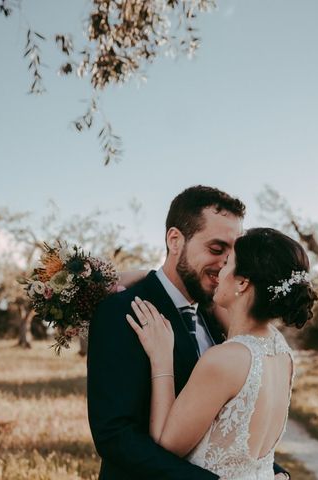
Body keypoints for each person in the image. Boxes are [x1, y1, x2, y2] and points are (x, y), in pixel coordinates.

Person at [87, 186, 291, 479]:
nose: (224, 265)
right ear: (175, 240)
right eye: (216, 249)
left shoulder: (220, 315)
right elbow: (115, 436)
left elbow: (226, 427)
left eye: (234, 255)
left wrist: (270, 472)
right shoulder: (122, 311)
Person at [127, 228, 317, 480]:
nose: (219, 271)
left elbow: (165, 446)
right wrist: (154, 279)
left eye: (227, 263)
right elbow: (231, 311)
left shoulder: (224, 360)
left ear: (242, 282)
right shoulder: (280, 350)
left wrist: (162, 358)